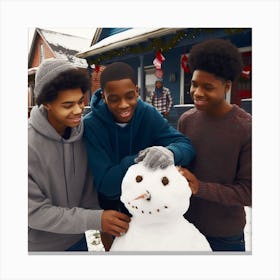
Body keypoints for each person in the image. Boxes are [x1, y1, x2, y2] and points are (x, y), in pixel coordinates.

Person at [83, 62, 195, 250]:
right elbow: (106, 185)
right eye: (114, 99)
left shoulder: (147, 113)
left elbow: (186, 146)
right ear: (103, 96)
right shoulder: (92, 126)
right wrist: (139, 160)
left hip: (149, 207)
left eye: (129, 96)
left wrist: (169, 152)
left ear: (137, 91)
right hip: (113, 213)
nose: (124, 105)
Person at [28, 58, 130, 252]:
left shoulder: (83, 133)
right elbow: (34, 212)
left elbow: (89, 189)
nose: (78, 111)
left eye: (80, 102)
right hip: (39, 248)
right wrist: (96, 219)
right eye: (67, 105)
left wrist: (106, 222)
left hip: (78, 241)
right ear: (47, 103)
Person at [177, 38, 252, 251]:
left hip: (224, 236)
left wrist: (200, 188)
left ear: (227, 86)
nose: (198, 92)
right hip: (186, 228)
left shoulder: (246, 128)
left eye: (207, 87)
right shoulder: (187, 120)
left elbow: (249, 192)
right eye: (194, 84)